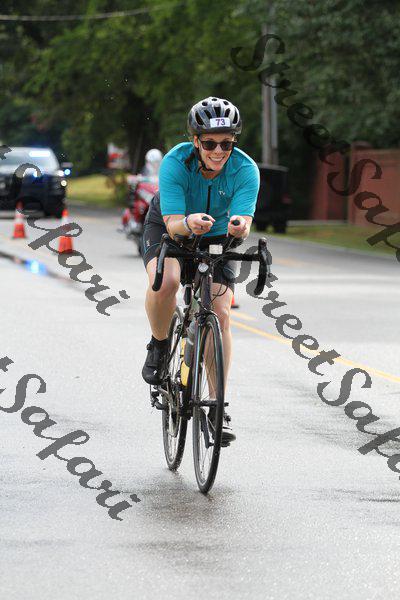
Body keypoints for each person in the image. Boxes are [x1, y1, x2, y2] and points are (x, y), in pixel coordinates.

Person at [141, 96, 260, 443]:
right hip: (172, 227)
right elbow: (173, 223)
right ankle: (159, 344)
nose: (218, 151)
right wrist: (189, 223)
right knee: (167, 282)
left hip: (218, 236)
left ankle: (217, 407)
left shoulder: (246, 169)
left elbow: (244, 222)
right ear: (196, 141)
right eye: (210, 143)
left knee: (220, 313)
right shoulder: (175, 163)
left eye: (226, 143)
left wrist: (240, 227)